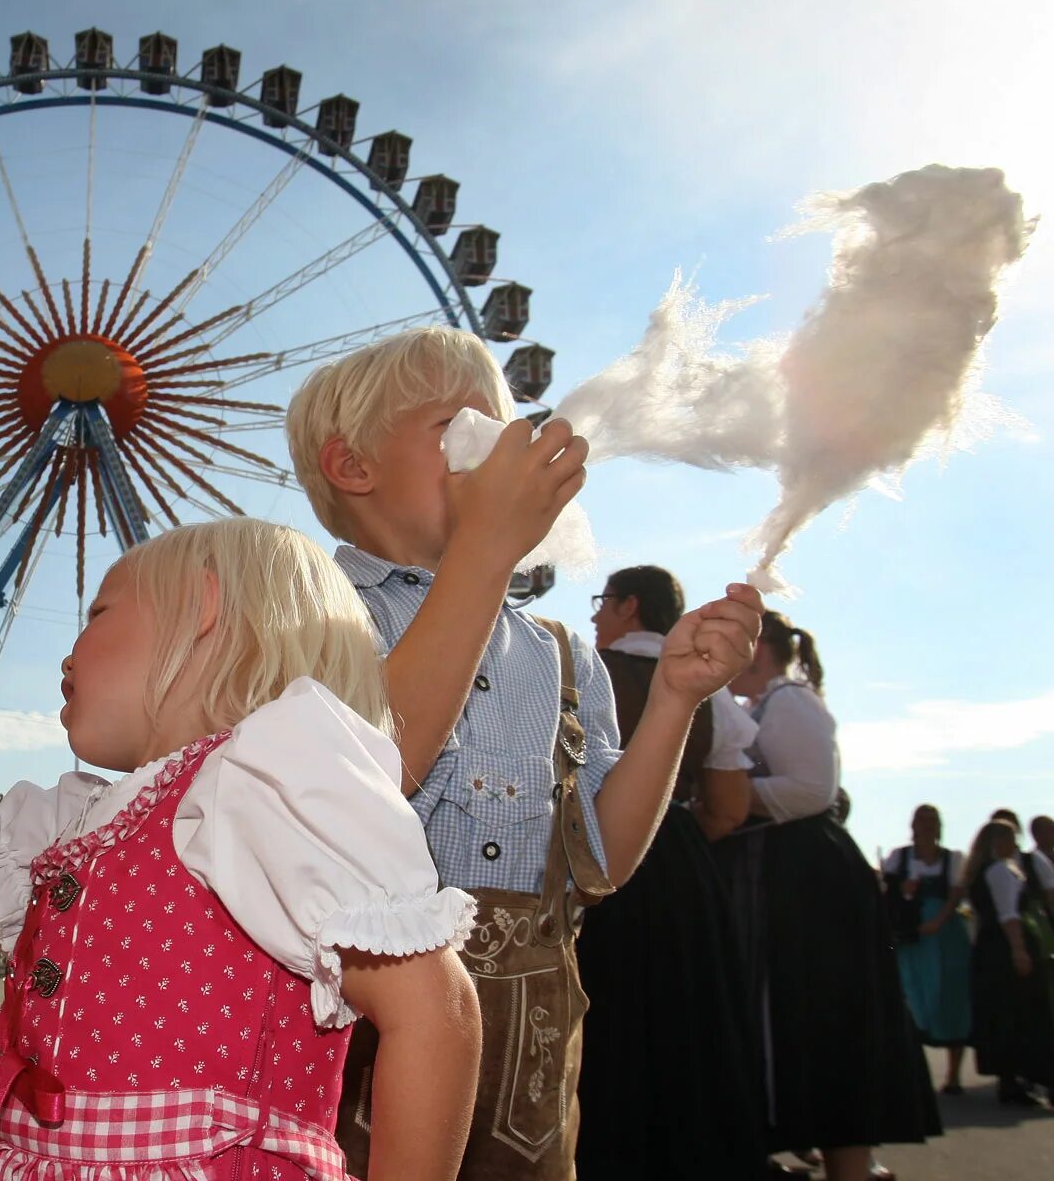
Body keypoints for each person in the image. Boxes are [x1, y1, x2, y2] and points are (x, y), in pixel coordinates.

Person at [0, 518, 483, 1179]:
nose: (69, 648)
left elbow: (433, 1008)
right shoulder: (77, 819)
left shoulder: (262, 779)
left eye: (97, 615)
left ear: (203, 608)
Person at [284, 326, 763, 1179]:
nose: (500, 446)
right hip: (354, 1057)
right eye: (455, 424)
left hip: (530, 1081)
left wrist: (676, 702)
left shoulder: (558, 657)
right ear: (353, 467)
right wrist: (483, 549)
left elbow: (600, 863)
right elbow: (360, 787)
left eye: (502, 425)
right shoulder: (307, 620)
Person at [724, 612, 938, 1180]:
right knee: (803, 1015)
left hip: (809, 882)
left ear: (758, 649)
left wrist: (728, 795)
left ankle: (850, 1164)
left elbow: (813, 789)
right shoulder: (768, 704)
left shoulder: (789, 701)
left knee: (826, 1016)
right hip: (789, 874)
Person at [571, 565, 764, 1179]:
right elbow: (731, 808)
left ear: (629, 606)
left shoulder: (579, 668)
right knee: (688, 1028)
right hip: (681, 870)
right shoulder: (719, 695)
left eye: (604, 602)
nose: (597, 615)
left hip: (587, 854)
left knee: (602, 1024)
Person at [883, 805, 972, 1094]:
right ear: (913, 824)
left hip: (945, 935)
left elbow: (956, 896)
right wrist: (902, 890)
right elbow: (886, 892)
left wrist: (938, 921)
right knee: (913, 994)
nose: (927, 825)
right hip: (912, 936)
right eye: (922, 820)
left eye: (932, 820)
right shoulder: (900, 858)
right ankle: (911, 1075)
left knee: (952, 996)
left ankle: (953, 1074)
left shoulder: (953, 859)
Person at [967, 818, 1054, 1104]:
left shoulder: (979, 872)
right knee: (1026, 1010)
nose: (1015, 845)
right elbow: (1009, 914)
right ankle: (1029, 1076)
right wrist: (1019, 949)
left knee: (1004, 1012)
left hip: (990, 949)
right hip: (1007, 949)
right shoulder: (1002, 871)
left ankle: (1012, 1078)